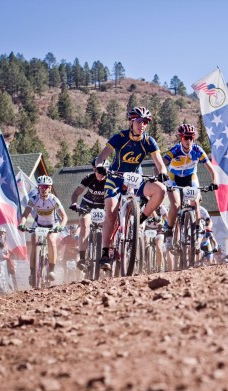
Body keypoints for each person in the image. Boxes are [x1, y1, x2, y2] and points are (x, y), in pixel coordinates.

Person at [94, 106, 169, 270]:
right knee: (111, 210)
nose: (142, 125)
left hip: (136, 179)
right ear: (131, 121)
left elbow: (160, 164)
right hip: (115, 178)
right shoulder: (120, 137)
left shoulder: (149, 141)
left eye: (145, 122)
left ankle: (139, 219)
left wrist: (163, 173)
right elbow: (102, 156)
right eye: (139, 121)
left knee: (161, 190)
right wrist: (99, 166)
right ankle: (105, 253)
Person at [162, 123, 219, 248]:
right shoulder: (175, 151)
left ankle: (197, 230)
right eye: (185, 138)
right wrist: (160, 177)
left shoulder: (197, 150)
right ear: (180, 138)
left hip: (190, 178)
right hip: (174, 178)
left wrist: (214, 182)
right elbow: (160, 165)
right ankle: (169, 232)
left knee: (196, 202)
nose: (188, 141)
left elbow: (211, 169)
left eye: (191, 138)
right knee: (175, 205)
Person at [18, 175, 67, 285]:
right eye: (41, 187)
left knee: (51, 240)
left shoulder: (53, 200)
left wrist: (61, 226)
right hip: (39, 224)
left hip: (53, 225)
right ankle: (32, 273)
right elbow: (25, 214)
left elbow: (64, 217)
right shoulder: (34, 199)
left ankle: (51, 270)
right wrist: (22, 223)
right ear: (38, 188)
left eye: (46, 187)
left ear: (50, 188)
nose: (44, 189)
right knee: (34, 242)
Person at [69, 159, 108, 270]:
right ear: (94, 169)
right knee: (85, 225)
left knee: (109, 225)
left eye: (103, 172)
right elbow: (76, 193)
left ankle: (108, 254)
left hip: (102, 207)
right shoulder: (89, 178)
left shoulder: (110, 179)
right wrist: (74, 203)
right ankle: (82, 258)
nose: (101, 174)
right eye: (98, 171)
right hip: (87, 206)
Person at [143, 204, 169, 272]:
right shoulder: (145, 206)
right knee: (144, 244)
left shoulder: (160, 207)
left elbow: (167, 217)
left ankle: (160, 266)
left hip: (159, 231)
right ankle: (143, 264)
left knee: (159, 247)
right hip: (148, 230)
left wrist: (167, 225)